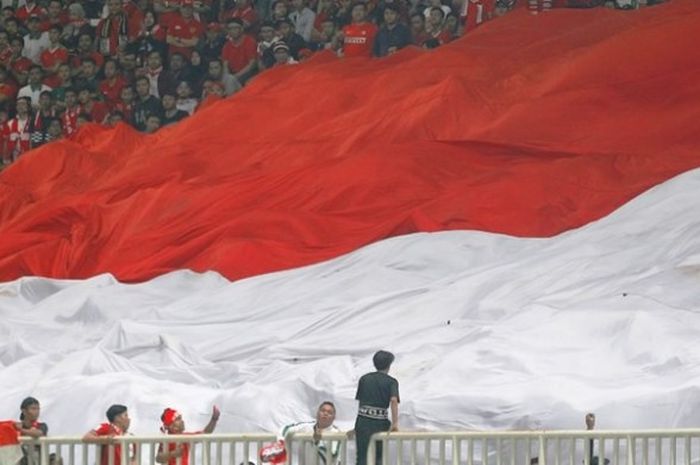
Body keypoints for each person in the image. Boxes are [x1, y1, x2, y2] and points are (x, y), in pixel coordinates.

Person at [354, 350, 399, 465]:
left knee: (361, 457)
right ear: (389, 365)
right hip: (380, 422)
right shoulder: (391, 382)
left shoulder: (364, 379)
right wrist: (395, 424)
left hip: (363, 420)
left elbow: (361, 401)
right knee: (378, 456)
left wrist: (357, 424)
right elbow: (393, 400)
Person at [155, 406, 220, 465]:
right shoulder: (166, 439)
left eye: (181, 418)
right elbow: (158, 458)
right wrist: (172, 454)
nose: (182, 421)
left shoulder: (186, 437)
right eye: (178, 419)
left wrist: (214, 419)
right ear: (171, 426)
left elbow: (205, 433)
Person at [3, 97, 32, 162]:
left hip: (30, 159)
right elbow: (5, 143)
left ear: (28, 107)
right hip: (14, 160)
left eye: (23, 104)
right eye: (18, 104)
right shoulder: (10, 124)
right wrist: (5, 159)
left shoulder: (33, 122)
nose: (20, 106)